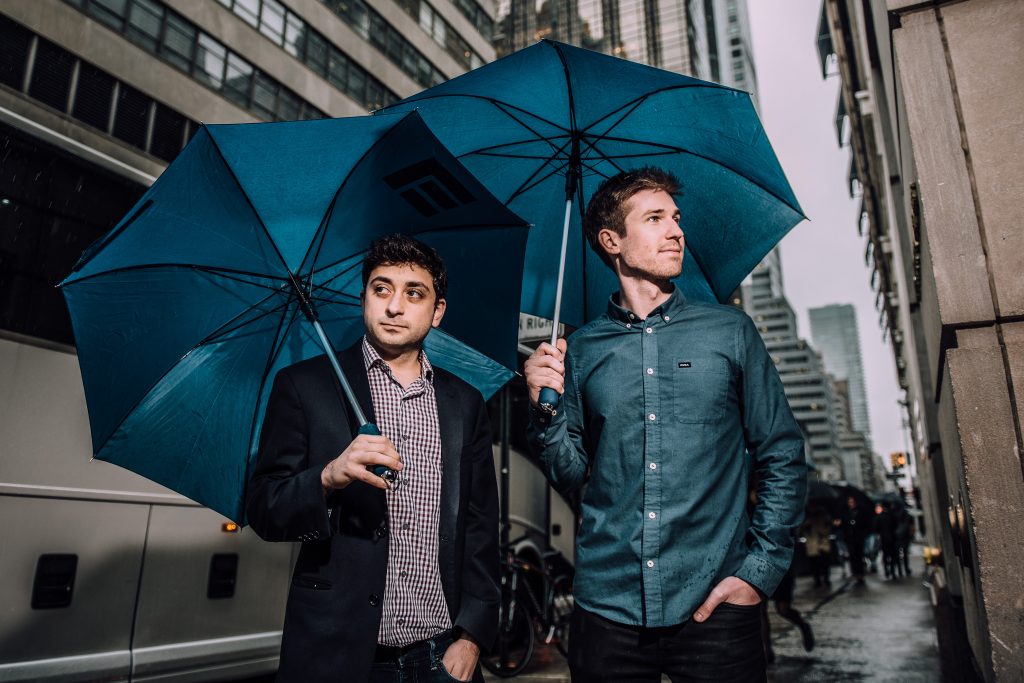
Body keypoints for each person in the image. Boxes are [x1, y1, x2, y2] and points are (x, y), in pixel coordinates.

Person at [525, 167, 807, 682]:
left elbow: (782, 453)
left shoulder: (730, 332)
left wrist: (758, 572)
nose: (676, 230)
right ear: (612, 240)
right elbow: (573, 475)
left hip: (716, 605)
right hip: (607, 610)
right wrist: (544, 407)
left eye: (675, 218)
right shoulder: (579, 350)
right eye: (654, 218)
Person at [247, 234, 499, 683]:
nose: (394, 306)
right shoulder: (305, 386)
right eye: (381, 289)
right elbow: (266, 508)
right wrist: (327, 477)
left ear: (437, 311)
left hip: (443, 655)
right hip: (340, 653)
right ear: (364, 297)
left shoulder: (465, 403)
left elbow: (480, 528)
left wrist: (472, 637)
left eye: (413, 293)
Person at [802, 505, 833, 588]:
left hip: (823, 545)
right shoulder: (806, 518)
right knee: (814, 564)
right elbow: (801, 531)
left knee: (825, 564)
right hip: (812, 546)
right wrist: (807, 524)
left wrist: (821, 529)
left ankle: (826, 579)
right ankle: (817, 580)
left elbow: (827, 530)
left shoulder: (824, 517)